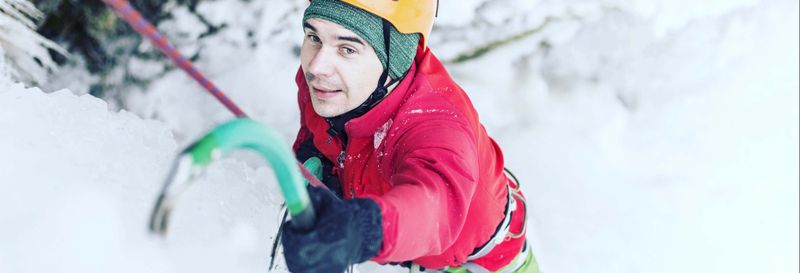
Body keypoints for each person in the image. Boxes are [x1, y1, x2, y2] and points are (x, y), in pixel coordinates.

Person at [280, 1, 541, 272]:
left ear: (396, 59)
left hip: (487, 259)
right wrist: (318, 162)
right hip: (401, 242)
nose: (317, 66)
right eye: (314, 37)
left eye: (347, 49)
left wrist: (361, 230)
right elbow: (316, 131)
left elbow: (434, 208)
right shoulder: (329, 85)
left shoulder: (438, 124)